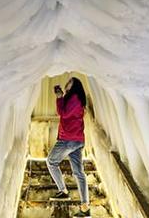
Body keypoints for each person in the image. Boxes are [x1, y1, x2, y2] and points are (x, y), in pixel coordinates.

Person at [46, 77, 90, 217]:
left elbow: (63, 113)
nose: (67, 82)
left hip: (69, 139)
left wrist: (59, 97)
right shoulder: (74, 98)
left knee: (51, 162)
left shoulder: (75, 98)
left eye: (70, 82)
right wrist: (61, 96)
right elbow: (65, 111)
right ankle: (85, 207)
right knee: (78, 173)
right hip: (76, 140)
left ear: (75, 85)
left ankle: (63, 191)